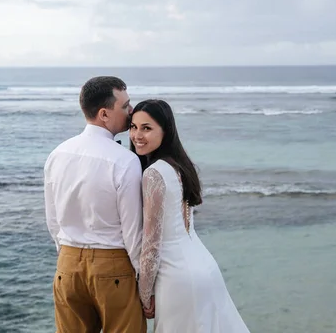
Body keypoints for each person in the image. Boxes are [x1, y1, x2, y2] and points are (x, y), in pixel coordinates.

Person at [130, 99, 250, 332]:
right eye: (133, 127)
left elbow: (152, 245)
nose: (137, 135)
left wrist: (144, 295)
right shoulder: (180, 166)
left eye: (147, 128)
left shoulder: (153, 174)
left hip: (176, 277)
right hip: (204, 266)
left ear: (166, 131)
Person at [44, 76, 146, 333]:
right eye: (125, 106)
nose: (131, 111)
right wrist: (145, 285)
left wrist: (69, 255)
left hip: (67, 263)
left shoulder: (58, 154)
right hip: (113, 265)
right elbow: (132, 232)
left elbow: (53, 219)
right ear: (104, 113)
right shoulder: (124, 160)